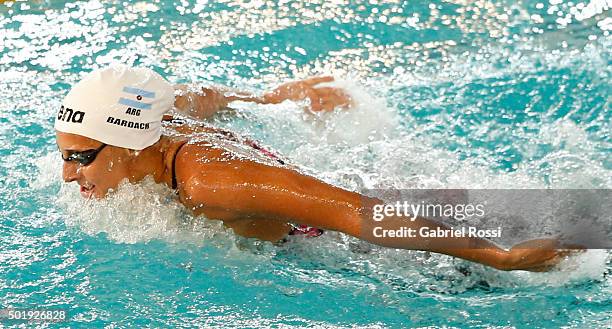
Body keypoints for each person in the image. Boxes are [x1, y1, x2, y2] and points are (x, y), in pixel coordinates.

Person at [55, 65, 575, 272]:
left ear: (128, 142)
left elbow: (359, 216)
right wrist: (275, 98)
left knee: (576, 251)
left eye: (80, 158)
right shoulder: (163, 117)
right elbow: (202, 97)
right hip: (353, 201)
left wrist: (501, 258)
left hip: (368, 253)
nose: (67, 175)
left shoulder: (212, 180)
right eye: (63, 155)